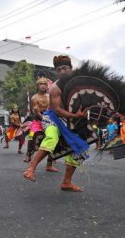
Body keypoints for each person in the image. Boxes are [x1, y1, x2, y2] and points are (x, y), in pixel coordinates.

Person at [23, 55, 88, 191]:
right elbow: (57, 110)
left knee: (78, 148)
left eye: (65, 68)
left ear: (71, 68)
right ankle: (30, 168)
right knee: (52, 137)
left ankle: (67, 182)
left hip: (73, 120)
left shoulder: (79, 84)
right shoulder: (55, 88)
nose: (62, 71)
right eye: (58, 70)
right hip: (52, 118)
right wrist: (75, 115)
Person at [23, 73, 58, 172]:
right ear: (38, 86)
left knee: (55, 138)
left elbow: (54, 108)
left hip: (51, 118)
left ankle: (49, 164)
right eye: (41, 84)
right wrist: (46, 119)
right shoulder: (34, 98)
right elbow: (37, 113)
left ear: (47, 86)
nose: (43, 85)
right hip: (39, 120)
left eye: (45, 84)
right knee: (32, 134)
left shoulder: (49, 96)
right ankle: (29, 153)